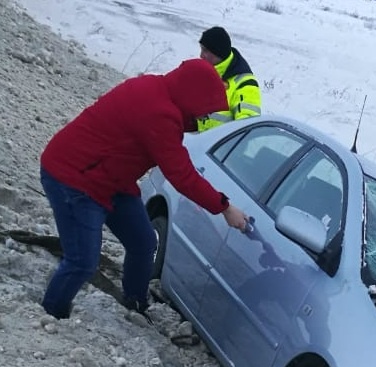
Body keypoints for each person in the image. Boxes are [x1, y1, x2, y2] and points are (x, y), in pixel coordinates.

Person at [38, 58, 249, 320]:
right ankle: (51, 315)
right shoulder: (159, 114)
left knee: (144, 242)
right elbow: (181, 175)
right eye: (203, 109)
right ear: (192, 96)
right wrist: (224, 207)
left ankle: (135, 303)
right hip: (74, 178)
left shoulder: (156, 88)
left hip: (111, 179)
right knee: (82, 261)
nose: (203, 116)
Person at [197, 26, 262, 131]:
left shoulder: (245, 84)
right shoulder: (203, 73)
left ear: (218, 52)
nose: (201, 55)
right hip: (199, 143)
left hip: (222, 146)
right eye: (201, 49)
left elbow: (245, 129)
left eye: (205, 51)